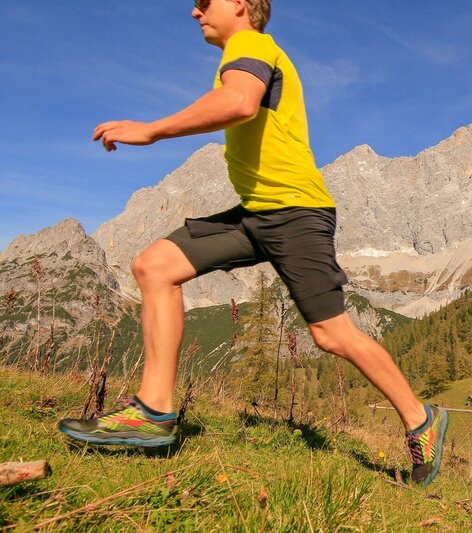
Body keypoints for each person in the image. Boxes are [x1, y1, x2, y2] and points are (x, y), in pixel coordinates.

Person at [58, 0, 448, 486]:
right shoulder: (244, 49)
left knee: (331, 335)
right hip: (256, 213)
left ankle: (421, 419)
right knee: (154, 267)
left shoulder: (251, 44)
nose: (195, 11)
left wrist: (152, 130)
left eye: (205, 2)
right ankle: (153, 414)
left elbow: (239, 102)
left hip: (296, 213)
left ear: (241, 5)